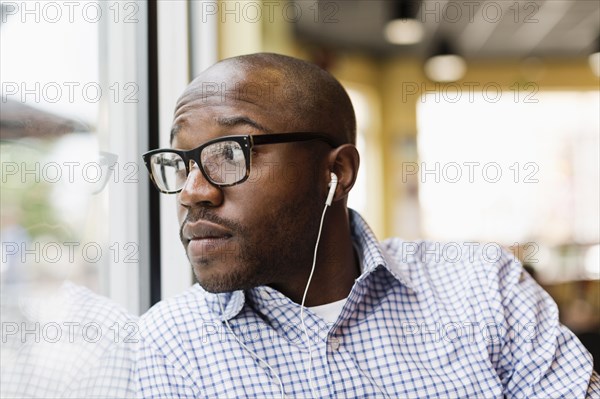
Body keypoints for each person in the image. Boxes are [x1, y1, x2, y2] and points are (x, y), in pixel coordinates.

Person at [136, 53, 599, 398]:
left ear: (337, 173)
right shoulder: (171, 345)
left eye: (229, 152)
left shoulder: (482, 286)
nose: (192, 192)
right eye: (181, 162)